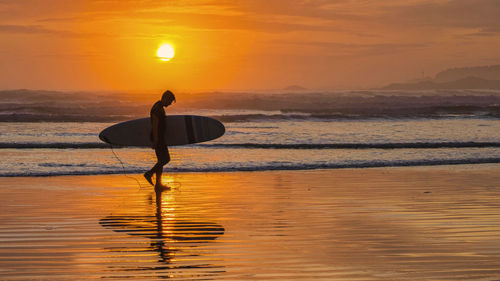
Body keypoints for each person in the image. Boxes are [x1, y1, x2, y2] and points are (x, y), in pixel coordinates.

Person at [144, 90, 176, 190]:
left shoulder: (159, 107)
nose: (170, 104)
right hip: (158, 138)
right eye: (170, 101)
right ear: (165, 98)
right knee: (166, 159)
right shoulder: (157, 108)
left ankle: (158, 185)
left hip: (159, 137)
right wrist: (156, 139)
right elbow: (155, 124)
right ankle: (149, 173)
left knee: (160, 161)